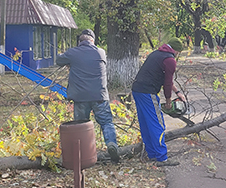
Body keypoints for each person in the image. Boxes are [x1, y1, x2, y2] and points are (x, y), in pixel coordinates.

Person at [56, 29, 121, 163]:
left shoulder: (73, 53)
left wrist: (70, 61)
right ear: (92, 40)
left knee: (81, 126)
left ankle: (83, 155)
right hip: (100, 95)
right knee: (107, 122)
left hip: (80, 97)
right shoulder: (101, 52)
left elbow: (58, 60)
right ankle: (111, 144)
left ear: (80, 42)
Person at [131, 38, 186, 167]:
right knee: (157, 124)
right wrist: (168, 101)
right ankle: (162, 157)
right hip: (148, 93)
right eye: (178, 52)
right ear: (175, 50)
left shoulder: (156, 54)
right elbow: (167, 83)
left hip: (137, 90)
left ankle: (152, 154)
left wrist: (178, 93)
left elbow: (166, 80)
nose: (177, 55)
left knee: (146, 123)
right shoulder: (170, 60)